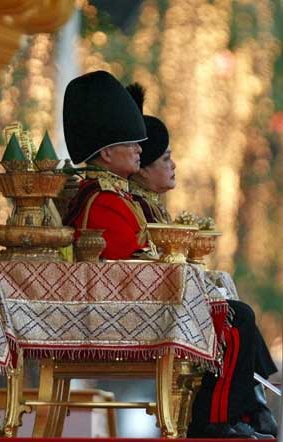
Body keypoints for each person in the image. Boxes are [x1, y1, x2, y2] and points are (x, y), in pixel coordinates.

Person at [127, 82, 278, 439]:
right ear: (143, 170)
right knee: (236, 315)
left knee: (233, 308)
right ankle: (218, 418)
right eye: (165, 159)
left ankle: (247, 407)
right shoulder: (121, 203)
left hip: (156, 301)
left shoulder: (143, 203)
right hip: (141, 309)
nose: (174, 165)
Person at [62, 70, 149, 260]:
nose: (139, 150)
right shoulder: (103, 201)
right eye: (130, 144)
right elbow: (130, 262)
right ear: (107, 153)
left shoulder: (118, 196)